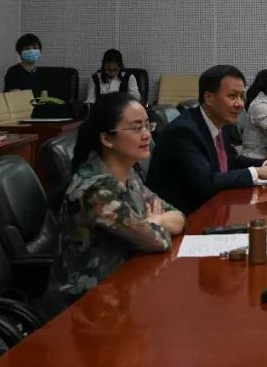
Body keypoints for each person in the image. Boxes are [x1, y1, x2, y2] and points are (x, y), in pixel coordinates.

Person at [53, 92, 185, 303]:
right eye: (136, 128)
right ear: (107, 139)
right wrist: (151, 225)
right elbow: (158, 241)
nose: (147, 135)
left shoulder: (128, 175)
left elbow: (178, 217)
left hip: (129, 283)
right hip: (90, 303)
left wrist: (156, 220)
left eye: (147, 126)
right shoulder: (96, 190)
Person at [147, 65, 267, 214]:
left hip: (211, 209)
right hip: (183, 216)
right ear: (209, 98)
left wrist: (266, 164)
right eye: (232, 96)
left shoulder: (220, 123)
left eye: (242, 96)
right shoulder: (185, 131)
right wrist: (256, 172)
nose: (240, 104)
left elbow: (230, 162)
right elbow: (205, 183)